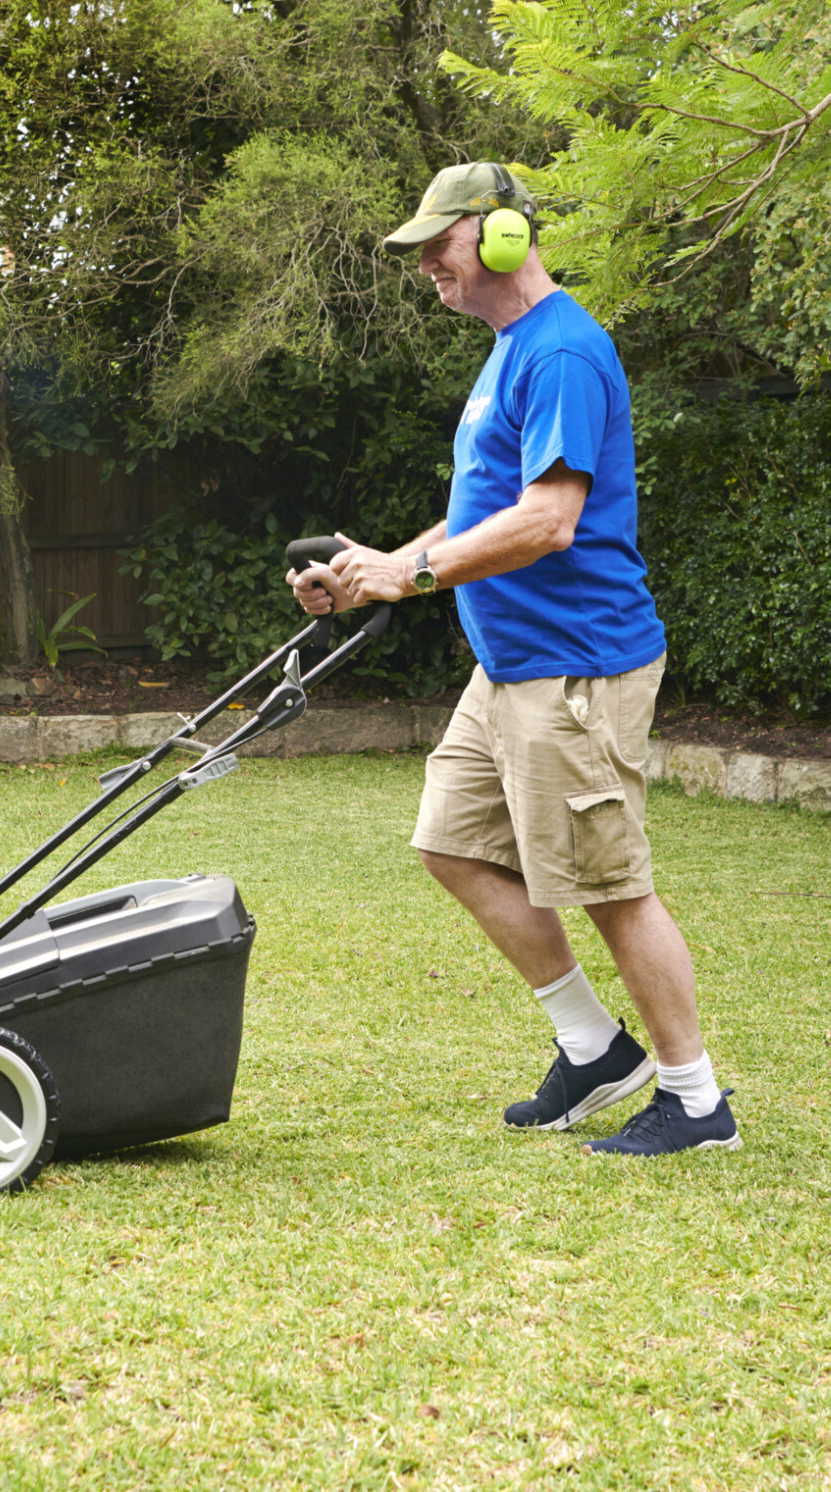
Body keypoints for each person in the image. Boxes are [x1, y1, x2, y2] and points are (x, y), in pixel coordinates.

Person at [286, 162, 738, 1158]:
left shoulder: (564, 351)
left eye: (436, 248)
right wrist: (374, 567)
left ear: (498, 236)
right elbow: (485, 510)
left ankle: (697, 1101)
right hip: (510, 665)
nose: (427, 271)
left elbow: (548, 521)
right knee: (450, 841)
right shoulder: (509, 351)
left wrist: (416, 578)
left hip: (577, 665)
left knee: (612, 884)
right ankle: (592, 1048)